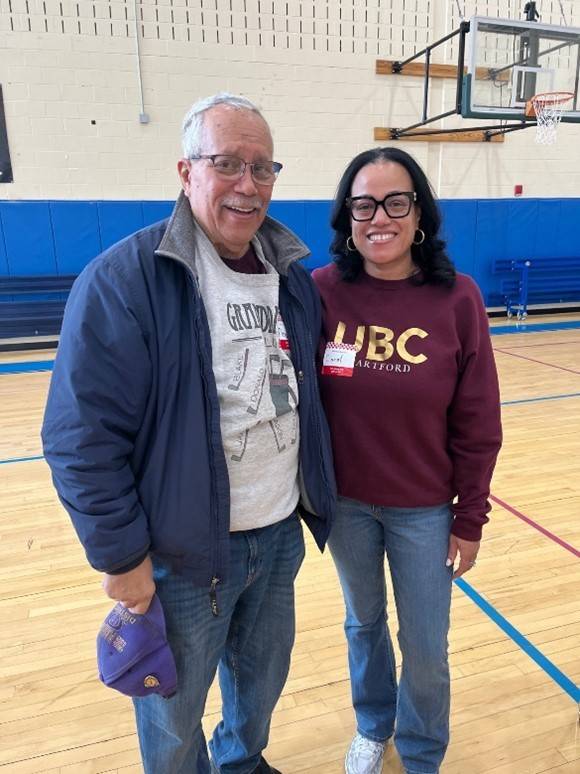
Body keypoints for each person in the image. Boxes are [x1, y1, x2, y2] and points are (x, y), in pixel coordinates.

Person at [41, 92, 336, 774]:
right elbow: (79, 437)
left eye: (263, 168)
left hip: (277, 539)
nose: (247, 184)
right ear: (186, 171)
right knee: (173, 723)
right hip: (179, 556)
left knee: (258, 693)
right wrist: (121, 559)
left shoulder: (291, 275)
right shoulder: (125, 280)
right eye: (227, 162)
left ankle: (242, 763)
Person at [312, 147, 502, 774]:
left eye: (397, 201)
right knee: (362, 624)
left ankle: (421, 753)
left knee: (425, 644)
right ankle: (374, 724)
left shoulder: (458, 299)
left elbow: (478, 420)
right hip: (345, 505)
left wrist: (469, 517)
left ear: (419, 211)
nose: (380, 218)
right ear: (348, 217)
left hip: (424, 509)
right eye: (364, 204)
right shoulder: (321, 292)